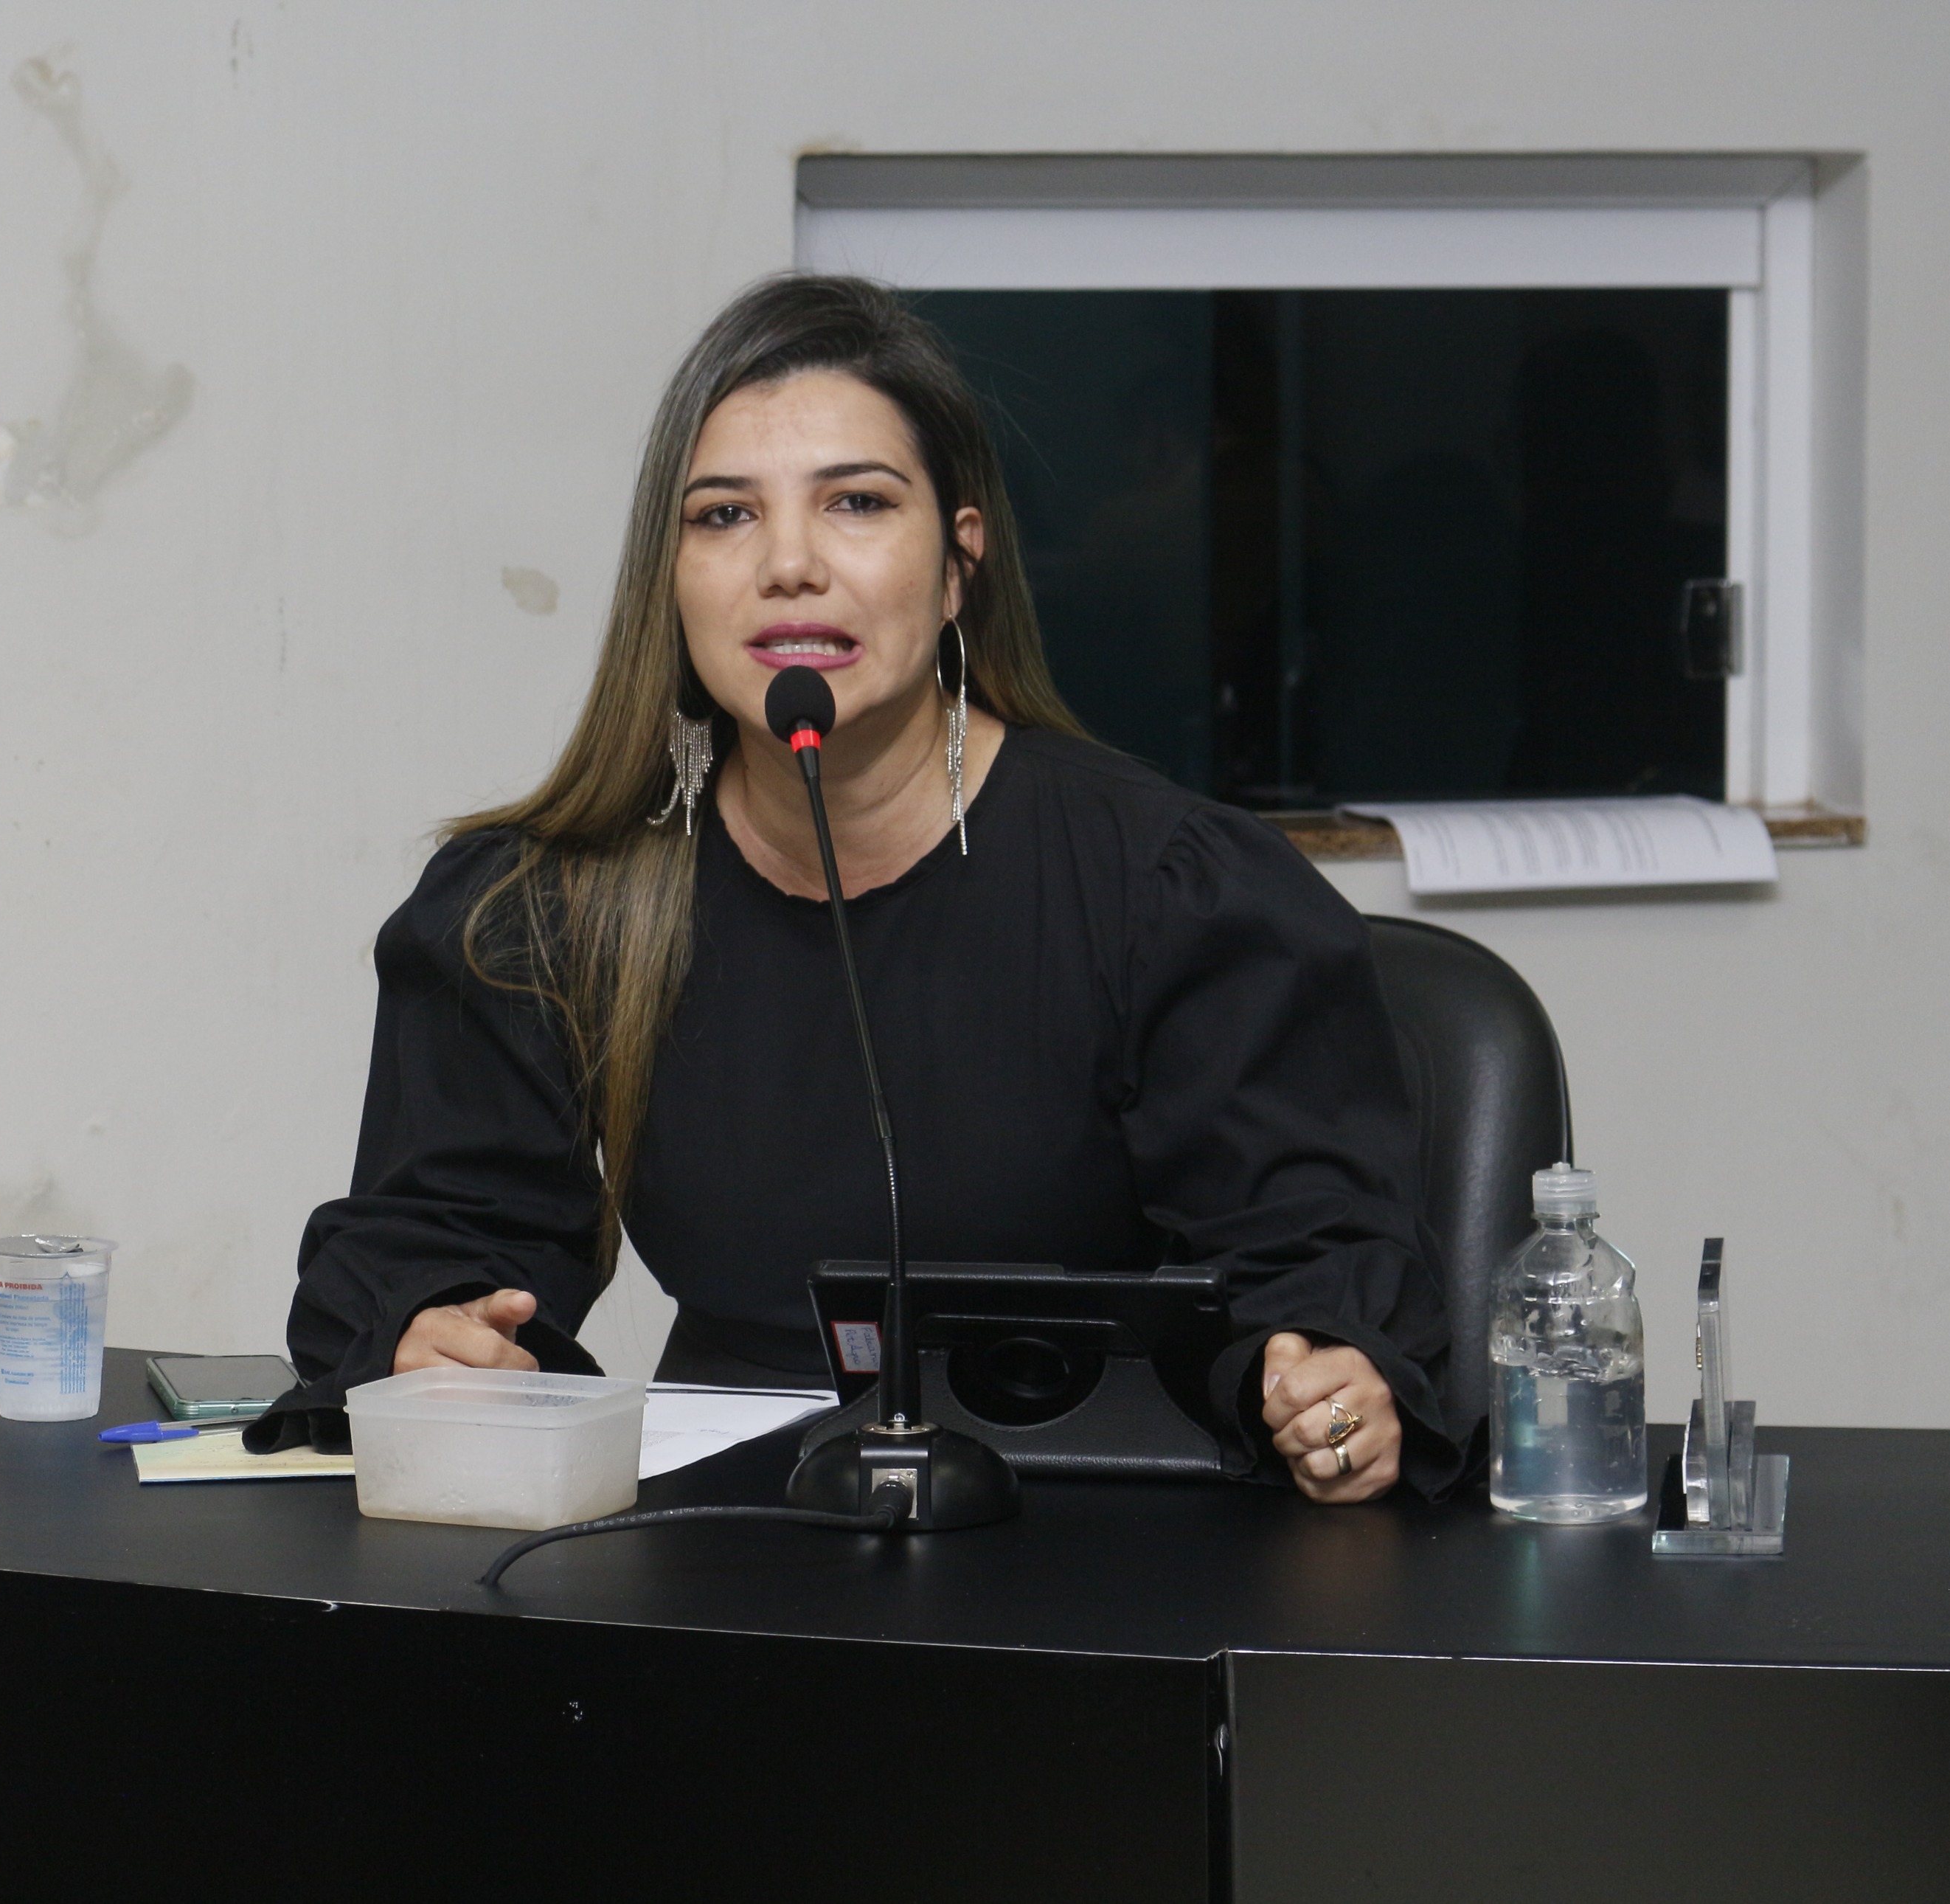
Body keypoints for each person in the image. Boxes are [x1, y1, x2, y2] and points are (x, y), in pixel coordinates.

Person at [257, 275, 1457, 1501]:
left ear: (959, 561)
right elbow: (444, 1235)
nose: (789, 564)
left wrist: (1322, 1373)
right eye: (725, 515)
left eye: (858, 503)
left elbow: (1308, 1254)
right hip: (719, 1527)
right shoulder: (549, 908)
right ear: (671, 577)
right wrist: (436, 1332)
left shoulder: (1170, 889)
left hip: (1082, 1514)